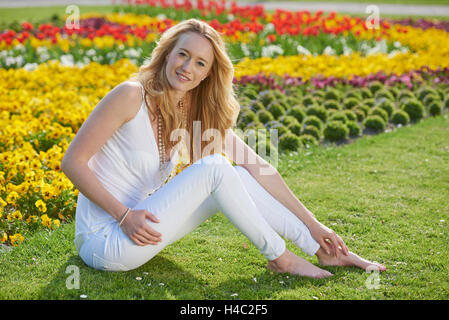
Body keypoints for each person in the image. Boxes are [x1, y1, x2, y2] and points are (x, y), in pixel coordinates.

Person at [61, 18, 386, 277]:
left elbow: (260, 168)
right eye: (183, 54)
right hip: (105, 241)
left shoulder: (189, 111)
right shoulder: (130, 95)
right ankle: (281, 258)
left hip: (144, 231)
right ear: (167, 54)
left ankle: (322, 253)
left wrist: (315, 226)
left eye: (200, 63)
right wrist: (124, 215)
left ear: (207, 75)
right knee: (216, 167)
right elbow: (73, 162)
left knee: (239, 175)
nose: (188, 67)